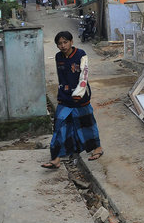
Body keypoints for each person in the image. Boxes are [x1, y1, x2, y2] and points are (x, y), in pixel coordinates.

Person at [41, 31, 104, 169]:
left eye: (65, 42)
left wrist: (78, 92)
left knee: (86, 122)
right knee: (60, 125)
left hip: (81, 96)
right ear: (57, 46)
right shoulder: (58, 57)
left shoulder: (81, 54)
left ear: (71, 42)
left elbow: (84, 75)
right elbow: (61, 77)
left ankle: (97, 148)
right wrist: (64, 93)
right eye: (60, 43)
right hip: (64, 97)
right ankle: (56, 158)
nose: (63, 46)